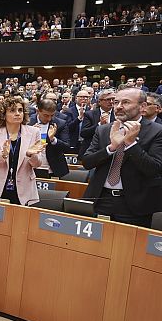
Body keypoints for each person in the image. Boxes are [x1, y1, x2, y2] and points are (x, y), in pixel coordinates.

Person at [82, 88, 162, 227]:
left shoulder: (157, 131)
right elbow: (87, 162)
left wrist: (130, 144)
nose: (118, 107)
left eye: (125, 102)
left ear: (142, 107)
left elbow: (154, 169)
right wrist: (111, 148)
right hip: (100, 199)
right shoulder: (103, 130)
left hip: (134, 204)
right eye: (116, 102)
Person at [0, 97, 46, 206]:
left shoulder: (34, 132)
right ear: (3, 114)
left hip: (23, 186)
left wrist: (31, 155)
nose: (17, 113)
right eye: (12, 110)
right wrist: (2, 154)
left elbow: (38, 164)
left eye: (20, 110)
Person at [29, 99, 70, 178]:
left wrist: (53, 139)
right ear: (38, 111)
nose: (49, 119)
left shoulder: (60, 124)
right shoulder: (27, 122)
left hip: (52, 169)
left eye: (52, 115)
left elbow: (66, 147)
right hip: (30, 167)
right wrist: (29, 134)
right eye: (46, 115)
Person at [79, 88, 115, 157]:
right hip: (93, 152)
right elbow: (84, 133)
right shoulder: (89, 114)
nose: (111, 102)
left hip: (113, 151)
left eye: (113, 99)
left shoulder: (118, 114)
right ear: (99, 102)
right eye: (108, 99)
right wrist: (99, 124)